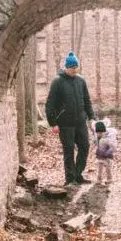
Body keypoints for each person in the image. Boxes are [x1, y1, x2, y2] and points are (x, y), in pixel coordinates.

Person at [44, 51, 96, 185]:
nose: (74, 70)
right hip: (65, 123)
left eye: (75, 67)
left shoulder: (81, 81)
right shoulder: (57, 82)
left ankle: (78, 174)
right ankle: (70, 178)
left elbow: (87, 100)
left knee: (85, 146)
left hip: (80, 122)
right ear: (66, 67)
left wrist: (91, 117)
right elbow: (50, 104)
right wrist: (53, 123)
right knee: (68, 151)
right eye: (72, 68)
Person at [94, 118, 117, 186]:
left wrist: (108, 153)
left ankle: (109, 179)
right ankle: (99, 179)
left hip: (107, 156)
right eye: (98, 133)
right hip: (100, 156)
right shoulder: (98, 138)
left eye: (101, 132)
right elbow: (98, 146)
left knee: (108, 168)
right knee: (100, 167)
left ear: (104, 131)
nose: (99, 134)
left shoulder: (108, 138)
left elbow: (112, 147)